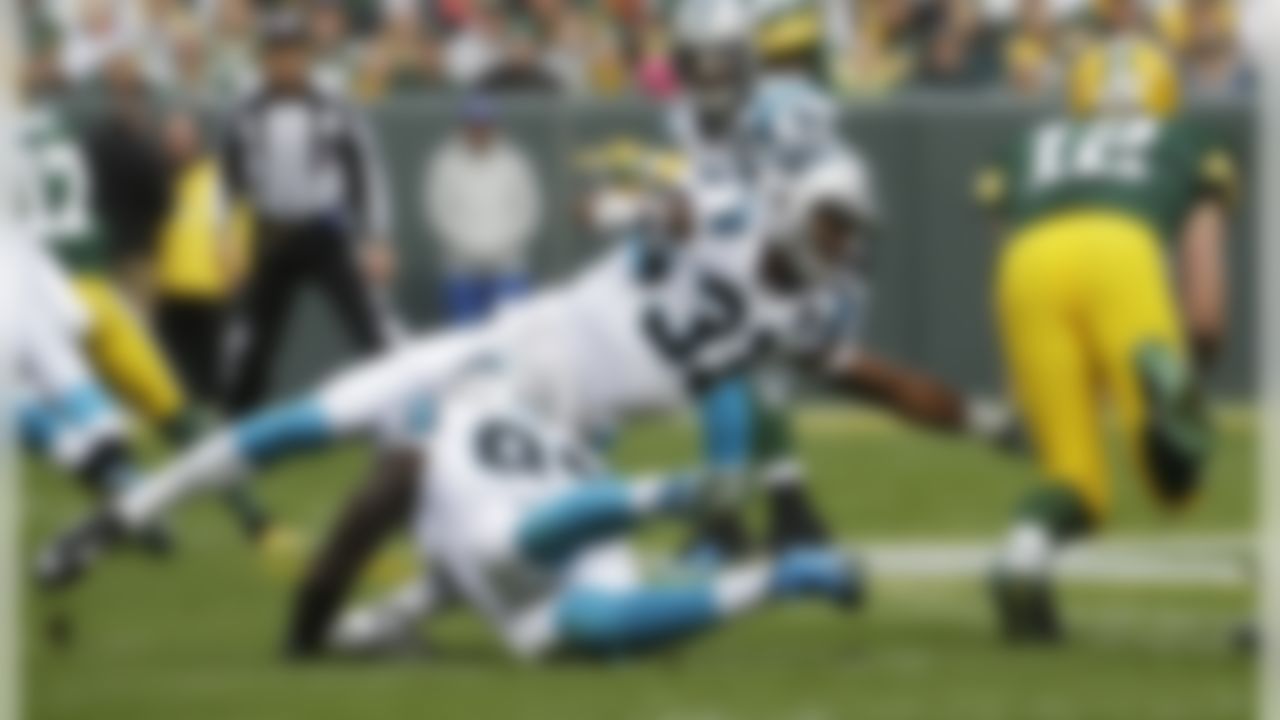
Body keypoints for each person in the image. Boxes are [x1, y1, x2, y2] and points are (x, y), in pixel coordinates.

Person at [975, 35, 1236, 642]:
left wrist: (1016, 372)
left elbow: (1002, 245)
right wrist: (1198, 352)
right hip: (1124, 253)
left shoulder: (1026, 147)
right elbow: (1204, 306)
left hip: (1027, 265)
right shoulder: (1187, 144)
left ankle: (1023, 555)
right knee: (1177, 485)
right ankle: (1165, 426)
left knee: (1076, 479)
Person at [311, 374, 861, 661]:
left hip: (524, 512)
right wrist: (380, 621)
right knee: (565, 630)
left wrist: (339, 628)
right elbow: (445, 584)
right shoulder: (504, 405)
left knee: (499, 549)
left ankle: (668, 497)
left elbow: (445, 563)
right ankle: (775, 578)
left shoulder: (426, 449)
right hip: (583, 503)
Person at [220, 8, 397, 417]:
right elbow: (227, 177)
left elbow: (365, 168)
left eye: (293, 52)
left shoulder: (334, 101)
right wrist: (224, 233)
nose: (285, 62)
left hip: (324, 230)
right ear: (263, 58)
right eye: (276, 53)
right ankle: (238, 434)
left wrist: (378, 238)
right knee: (252, 341)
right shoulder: (246, 107)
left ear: (307, 56)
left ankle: (400, 416)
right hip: (272, 233)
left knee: (370, 327)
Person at [425, 95, 542, 324]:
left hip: (509, 266)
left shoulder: (515, 160)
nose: (479, 131)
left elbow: (529, 210)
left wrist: (501, 246)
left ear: (495, 126)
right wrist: (469, 248)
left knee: (513, 337)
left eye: (485, 124)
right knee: (465, 342)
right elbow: (437, 212)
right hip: (460, 268)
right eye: (474, 124)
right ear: (464, 126)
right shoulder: (444, 161)